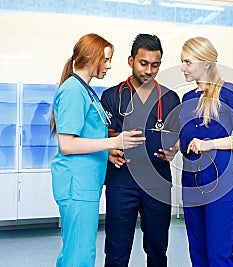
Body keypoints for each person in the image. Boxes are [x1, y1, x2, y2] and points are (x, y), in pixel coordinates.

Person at [50, 33, 145, 267]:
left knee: (75, 250)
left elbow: (86, 137)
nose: (110, 65)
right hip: (77, 185)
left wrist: (107, 153)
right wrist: (114, 142)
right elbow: (68, 144)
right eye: (106, 59)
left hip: (85, 184)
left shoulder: (85, 90)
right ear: (92, 58)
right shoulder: (73, 91)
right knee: (79, 255)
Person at [100, 33, 180, 267]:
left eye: (155, 65)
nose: (149, 70)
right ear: (130, 61)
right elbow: (104, 135)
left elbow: (176, 135)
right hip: (122, 181)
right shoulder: (112, 96)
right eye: (143, 63)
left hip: (158, 182)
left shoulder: (170, 98)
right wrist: (111, 148)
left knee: (157, 249)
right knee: (116, 249)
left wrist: (174, 148)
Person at [179, 37, 233, 267]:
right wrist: (171, 149)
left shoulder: (227, 92)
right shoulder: (187, 98)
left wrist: (209, 144)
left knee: (218, 257)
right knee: (198, 255)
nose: (183, 68)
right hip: (191, 185)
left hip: (221, 186)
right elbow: (185, 140)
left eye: (187, 62)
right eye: (181, 62)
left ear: (206, 63)